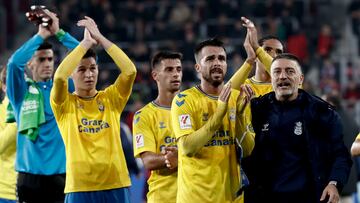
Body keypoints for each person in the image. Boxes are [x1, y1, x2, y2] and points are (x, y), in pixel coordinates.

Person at [50, 16, 136, 203]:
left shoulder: (111, 98)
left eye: (93, 69)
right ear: (72, 73)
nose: (89, 74)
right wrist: (85, 43)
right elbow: (58, 78)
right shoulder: (64, 104)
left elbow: (129, 70)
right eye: (81, 70)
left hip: (115, 183)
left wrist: (99, 37)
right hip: (80, 187)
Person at [246, 53, 352, 203]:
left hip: (308, 197)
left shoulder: (321, 112)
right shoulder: (257, 110)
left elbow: (341, 154)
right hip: (267, 197)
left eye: (290, 71)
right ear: (272, 79)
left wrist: (334, 183)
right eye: (277, 72)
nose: (283, 76)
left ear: (300, 79)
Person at [6, 9, 78, 203]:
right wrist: (41, 36)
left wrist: (59, 33)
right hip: (29, 177)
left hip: (60, 175)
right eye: (41, 59)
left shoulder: (63, 88)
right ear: (30, 63)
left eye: (50, 59)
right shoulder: (20, 92)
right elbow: (13, 64)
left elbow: (84, 56)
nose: (48, 64)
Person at [171, 38, 254, 203]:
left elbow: (249, 149)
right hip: (197, 198)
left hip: (232, 198)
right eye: (210, 59)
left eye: (221, 59)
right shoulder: (184, 101)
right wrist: (218, 115)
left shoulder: (237, 98)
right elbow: (187, 147)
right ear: (198, 67)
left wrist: (238, 117)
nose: (217, 63)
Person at [132, 51, 182, 203]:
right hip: (163, 197)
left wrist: (180, 157)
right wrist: (172, 158)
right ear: (155, 76)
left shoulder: (193, 108)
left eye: (178, 69)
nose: (175, 74)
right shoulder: (144, 115)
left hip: (194, 195)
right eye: (169, 69)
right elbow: (148, 161)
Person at [0, 66, 17, 203]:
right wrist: (17, 118)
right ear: (4, 87)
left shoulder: (33, 111)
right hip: (5, 192)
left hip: (29, 188)